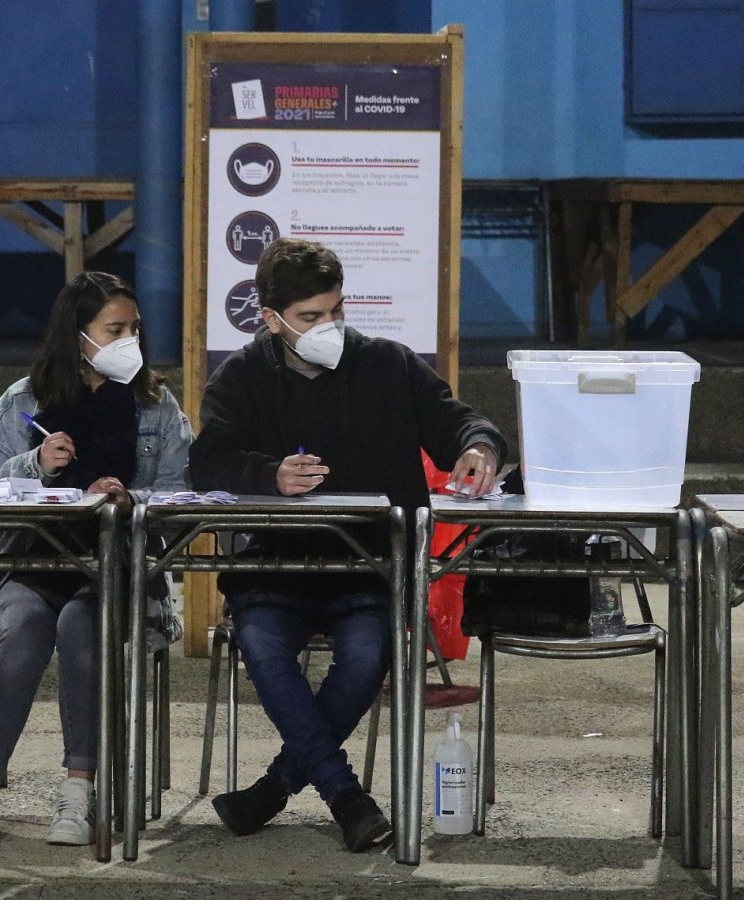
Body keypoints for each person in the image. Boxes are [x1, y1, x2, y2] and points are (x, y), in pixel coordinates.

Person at [189, 238, 506, 852]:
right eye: (310, 318)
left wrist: (479, 450)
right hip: (274, 572)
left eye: (336, 311)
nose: (328, 326)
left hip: (370, 571)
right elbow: (207, 462)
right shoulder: (243, 376)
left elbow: (463, 422)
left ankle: (274, 789)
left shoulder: (388, 363)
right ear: (270, 318)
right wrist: (269, 475)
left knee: (366, 656)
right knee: (261, 644)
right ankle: (347, 796)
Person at [0, 272, 192, 845]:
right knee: (29, 627)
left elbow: (183, 494)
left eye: (133, 328)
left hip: (116, 565)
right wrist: (37, 464)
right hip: (32, 559)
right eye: (114, 329)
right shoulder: (22, 400)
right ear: (78, 334)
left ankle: (78, 793)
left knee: (81, 625)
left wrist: (132, 499)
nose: (127, 339)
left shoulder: (155, 406)